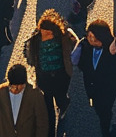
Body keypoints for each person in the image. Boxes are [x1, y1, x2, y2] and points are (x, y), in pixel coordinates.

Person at [24, 9, 80, 137]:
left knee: (61, 98)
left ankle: (64, 105)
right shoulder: (35, 39)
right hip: (44, 78)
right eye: (43, 33)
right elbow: (27, 51)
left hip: (61, 76)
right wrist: (31, 60)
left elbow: (76, 45)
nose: (45, 36)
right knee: (47, 107)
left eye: (48, 33)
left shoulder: (63, 37)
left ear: (54, 31)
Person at [72, 18, 116, 137]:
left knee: (105, 110)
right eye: (89, 36)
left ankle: (106, 131)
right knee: (98, 106)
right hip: (91, 84)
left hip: (109, 86)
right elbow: (81, 64)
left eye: (95, 38)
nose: (91, 40)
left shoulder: (114, 46)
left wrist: (115, 54)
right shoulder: (85, 45)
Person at [0, 63, 48, 137]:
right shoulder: (1, 92)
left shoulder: (35, 95)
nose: (16, 89)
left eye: (19, 86)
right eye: (12, 86)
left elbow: (42, 123)